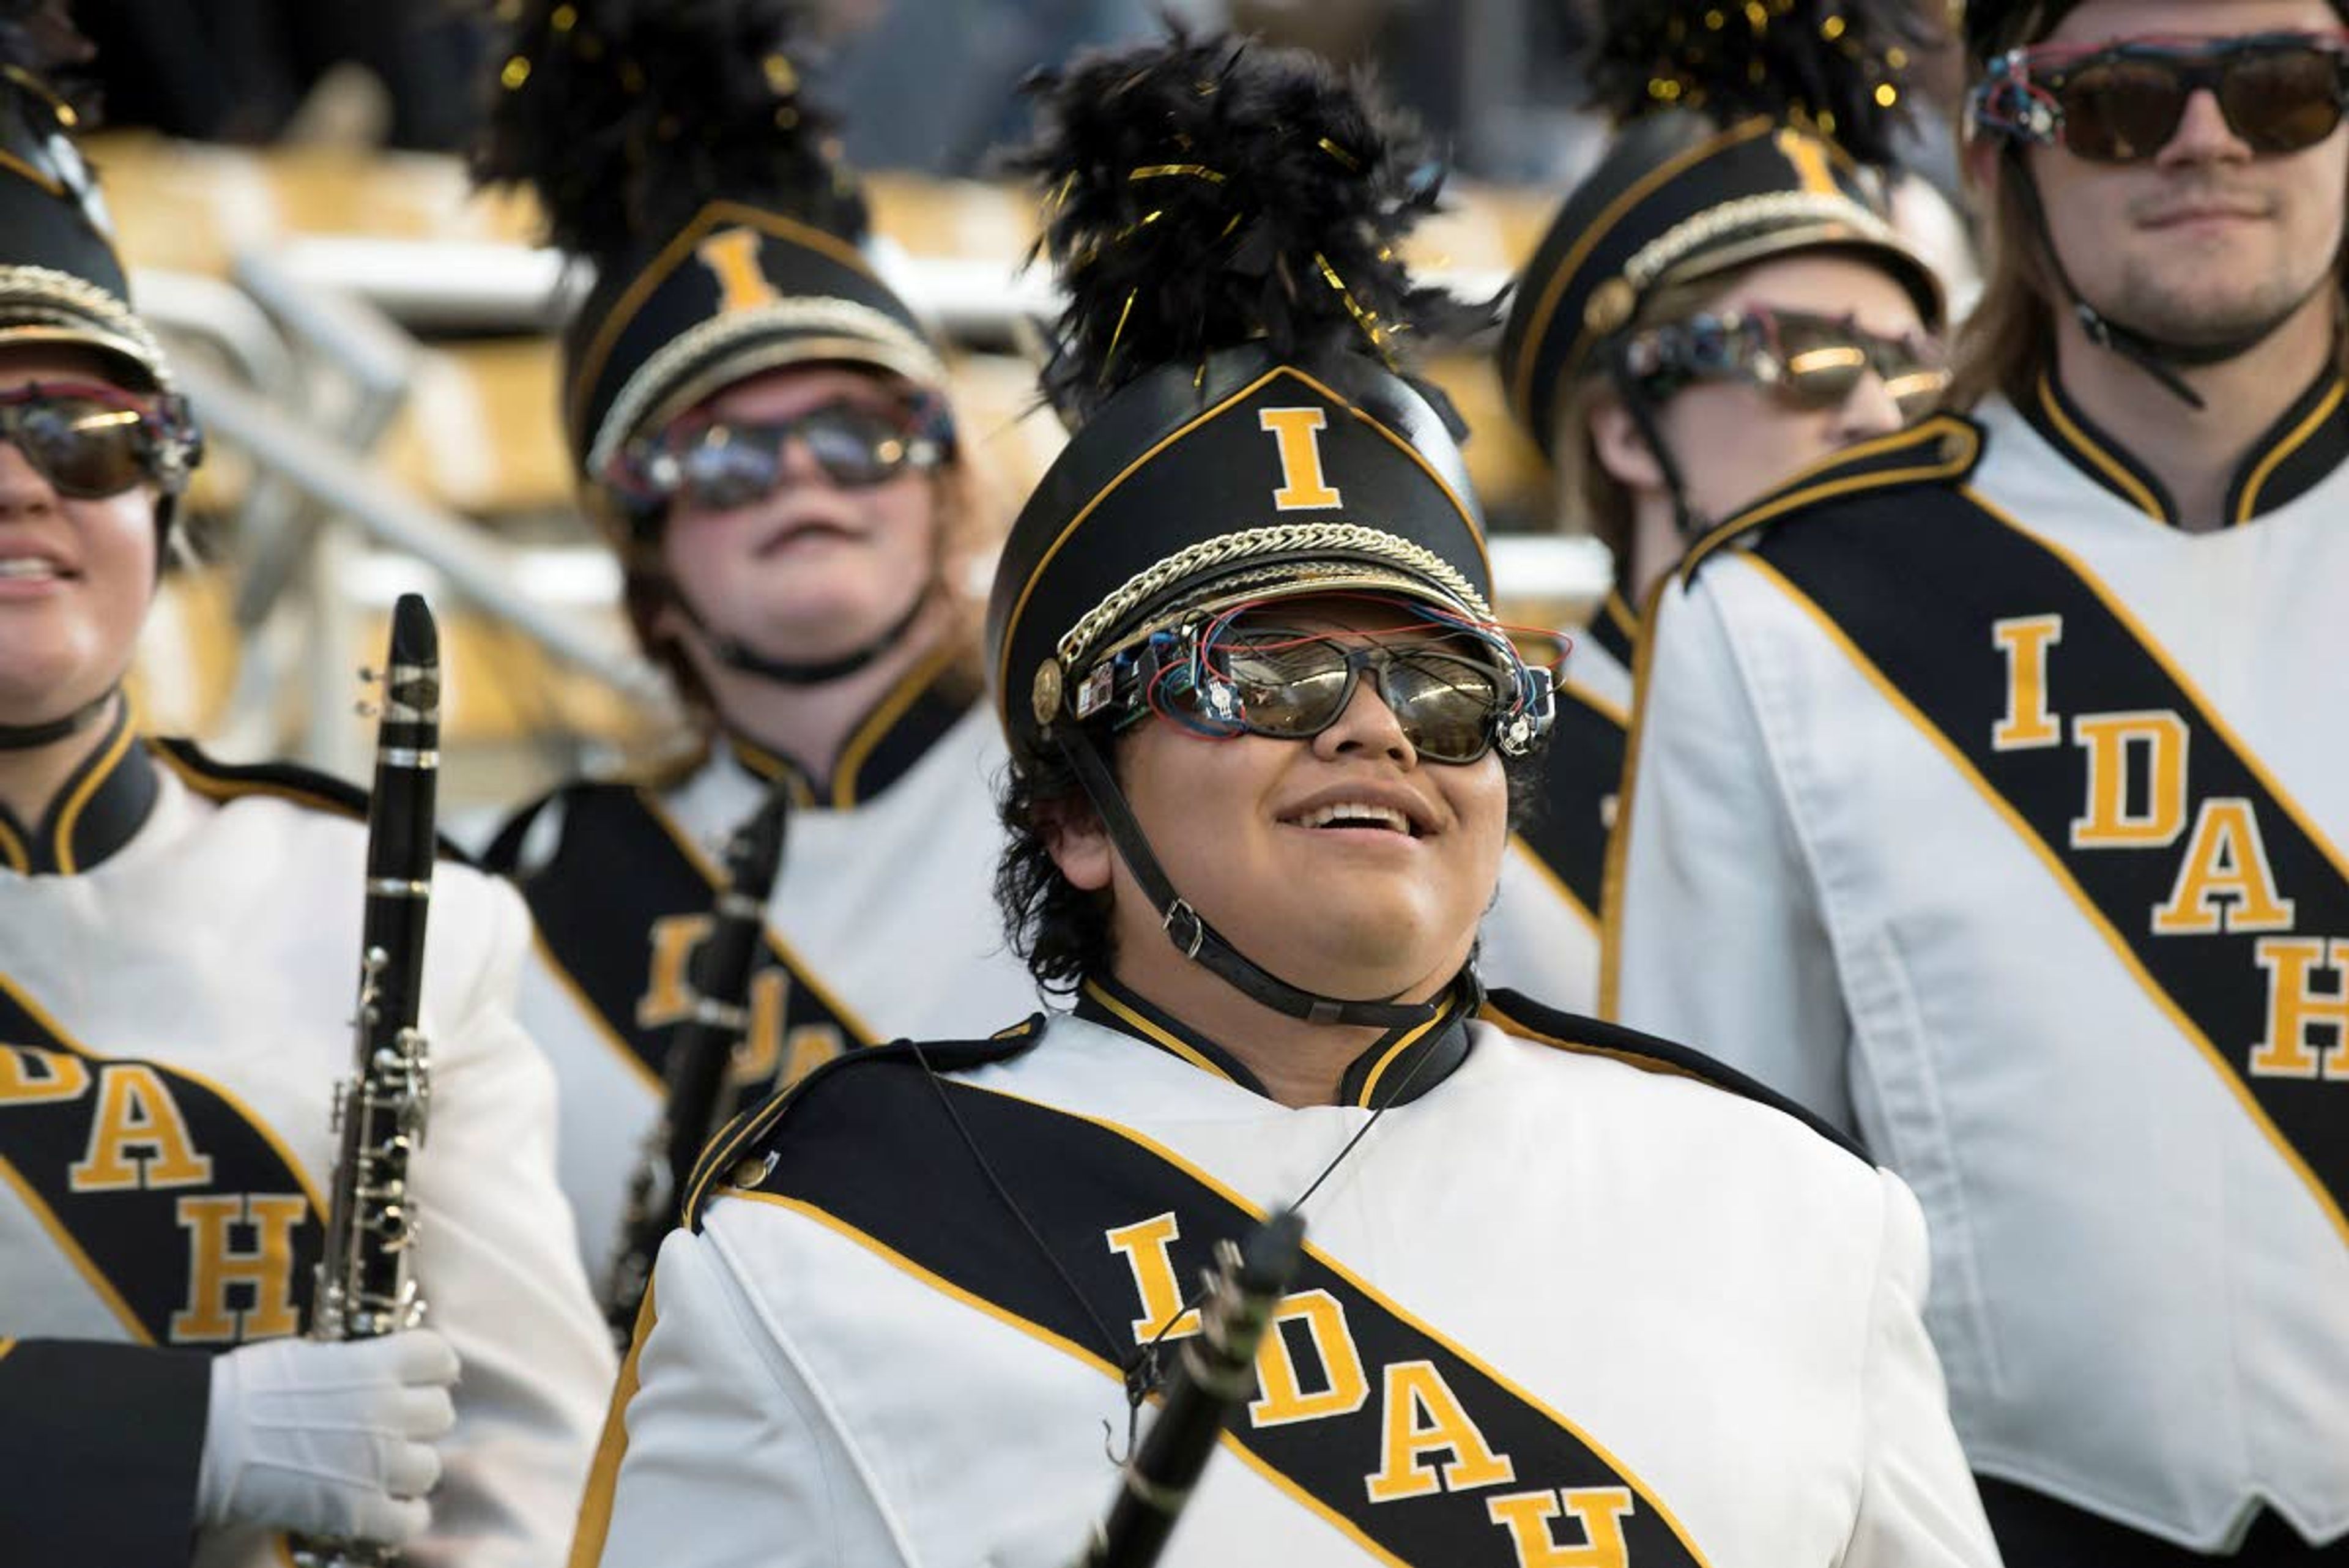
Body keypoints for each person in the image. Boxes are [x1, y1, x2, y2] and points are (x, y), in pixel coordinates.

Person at [568, 31, 2000, 1567]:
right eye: (1269, 677)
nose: (1378, 729)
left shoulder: (1795, 1211)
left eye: (1449, 693)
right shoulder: (819, 1250)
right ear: (1073, 815)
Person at [1605, 0, 2349, 1559]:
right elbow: (1709, 1241)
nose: (2208, 141)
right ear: (1999, 139)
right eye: (2124, 103)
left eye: (2281, 91)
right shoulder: (1782, 606)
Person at [0, 19, 613, 1566]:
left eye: (88, 430)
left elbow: (525, 1483)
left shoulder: (391, 912)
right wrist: (168, 1439)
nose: (25, 481)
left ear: (166, 495)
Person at [473, 0, 1036, 1295]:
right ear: (646, 554)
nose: (802, 480)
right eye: (722, 452)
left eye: (856, 432)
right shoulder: (528, 893)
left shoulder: (1113, 801)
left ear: (942, 485)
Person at [1481, 0, 1951, 1009]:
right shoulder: (1484, 812)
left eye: (1911, 372)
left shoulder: (1972, 744)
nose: (1875, 414)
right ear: (1621, 431)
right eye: (1804, 354)